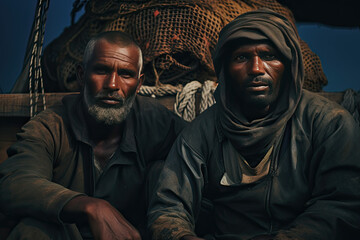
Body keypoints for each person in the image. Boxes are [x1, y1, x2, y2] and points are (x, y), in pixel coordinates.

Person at [148, 9, 360, 240]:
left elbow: (342, 206)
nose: (256, 68)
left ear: (289, 65)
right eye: (241, 57)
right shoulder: (203, 132)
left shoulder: (329, 124)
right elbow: (169, 208)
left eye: (269, 56)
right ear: (226, 70)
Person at [0, 31, 186, 240]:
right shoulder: (50, 125)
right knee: (32, 229)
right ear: (81, 75)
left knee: (164, 171)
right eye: (101, 70)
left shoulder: (156, 121)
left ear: (139, 83)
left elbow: (204, 156)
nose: (112, 85)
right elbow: (14, 182)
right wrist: (89, 206)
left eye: (125, 74)